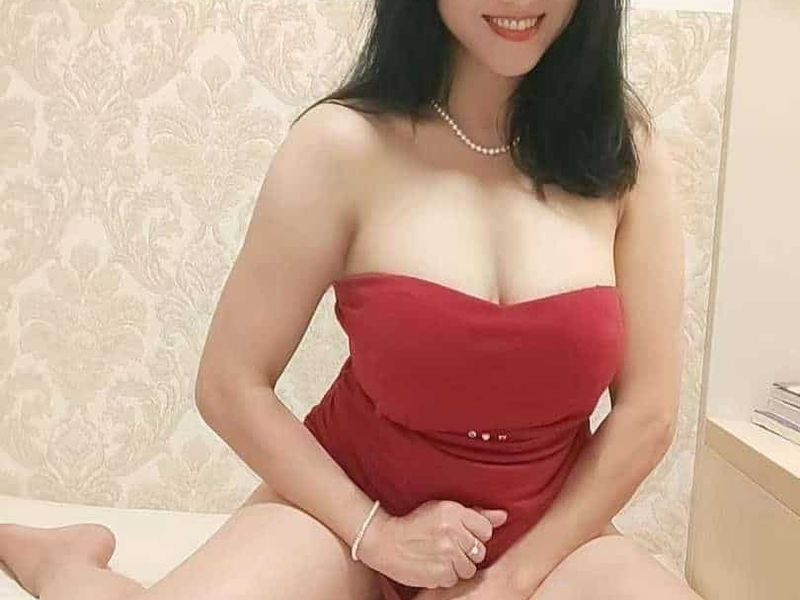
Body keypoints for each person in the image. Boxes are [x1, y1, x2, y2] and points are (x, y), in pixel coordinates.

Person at [0, 0, 702, 599]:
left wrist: (512, 580)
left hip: (545, 538)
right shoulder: (341, 144)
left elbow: (648, 413)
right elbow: (230, 383)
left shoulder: (625, 155)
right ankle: (66, 566)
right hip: (348, 514)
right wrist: (378, 536)